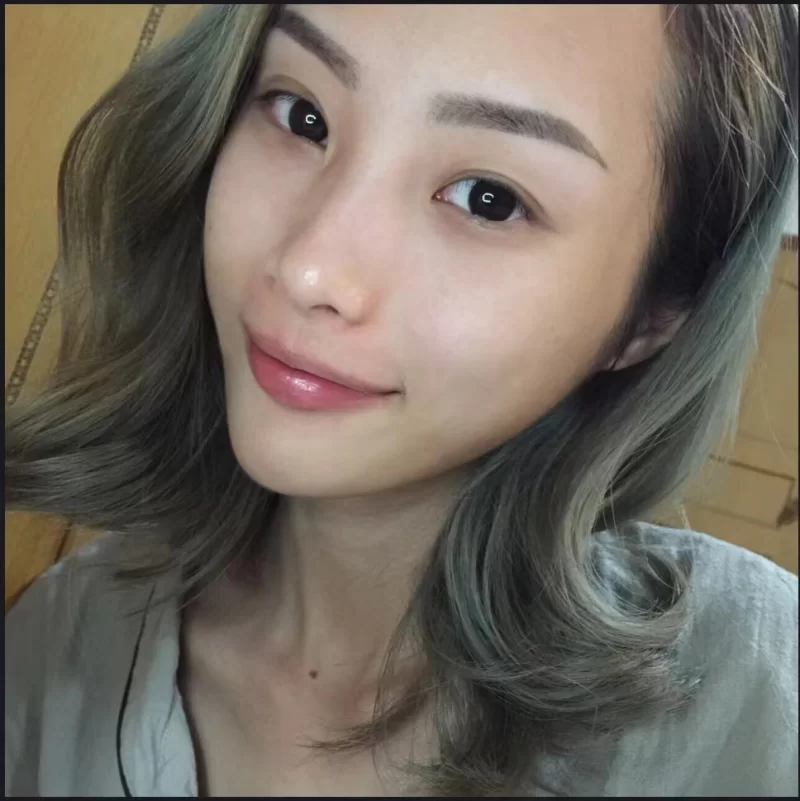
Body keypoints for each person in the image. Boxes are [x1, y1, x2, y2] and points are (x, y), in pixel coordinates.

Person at [5, 3, 798, 797]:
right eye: (302, 115)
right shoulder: (57, 649)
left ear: (652, 315)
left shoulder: (758, 698)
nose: (309, 268)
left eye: (488, 198)